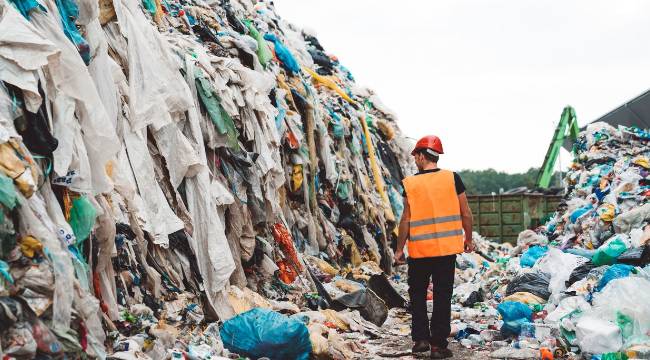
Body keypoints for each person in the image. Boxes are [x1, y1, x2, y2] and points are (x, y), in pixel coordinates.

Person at [393, 135, 474, 359]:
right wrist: (468, 238)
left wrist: (400, 249)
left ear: (421, 155)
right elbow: (465, 212)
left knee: (417, 295)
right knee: (442, 296)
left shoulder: (410, 183)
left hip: (419, 251)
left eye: (416, 156)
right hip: (446, 250)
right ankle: (438, 345)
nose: (415, 160)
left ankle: (420, 340)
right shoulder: (452, 178)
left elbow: (405, 220)